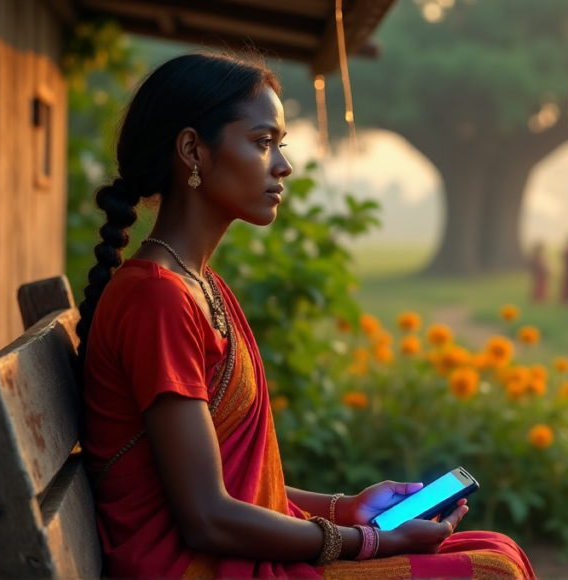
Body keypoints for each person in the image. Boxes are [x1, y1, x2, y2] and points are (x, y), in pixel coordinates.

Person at [75, 53, 534, 579]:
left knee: (495, 546)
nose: (283, 165)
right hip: (197, 567)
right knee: (491, 571)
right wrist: (365, 541)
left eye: (280, 145)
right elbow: (206, 518)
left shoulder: (198, 286)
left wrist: (346, 510)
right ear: (192, 150)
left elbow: (225, 487)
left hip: (228, 552)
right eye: (262, 142)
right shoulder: (157, 298)